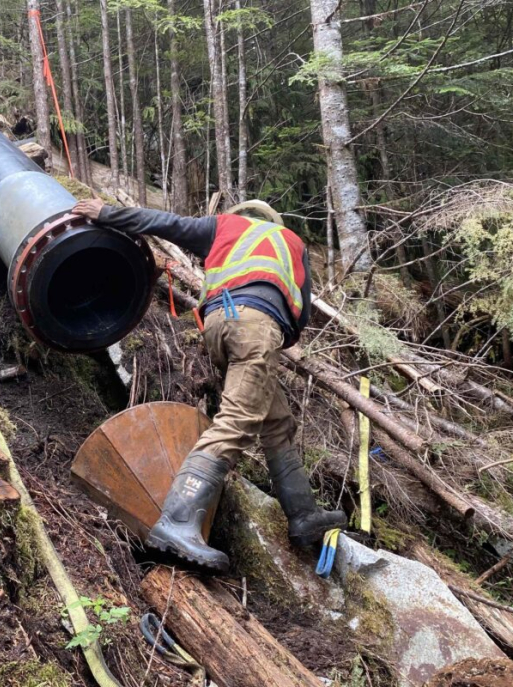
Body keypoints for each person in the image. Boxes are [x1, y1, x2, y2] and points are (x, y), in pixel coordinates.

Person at [72, 198, 346, 572]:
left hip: (218, 325)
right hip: (258, 328)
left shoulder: (223, 228)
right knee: (238, 420)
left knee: (275, 422)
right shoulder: (292, 243)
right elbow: (302, 311)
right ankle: (178, 520)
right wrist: (275, 331)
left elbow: (162, 222)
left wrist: (105, 213)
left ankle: (303, 515)